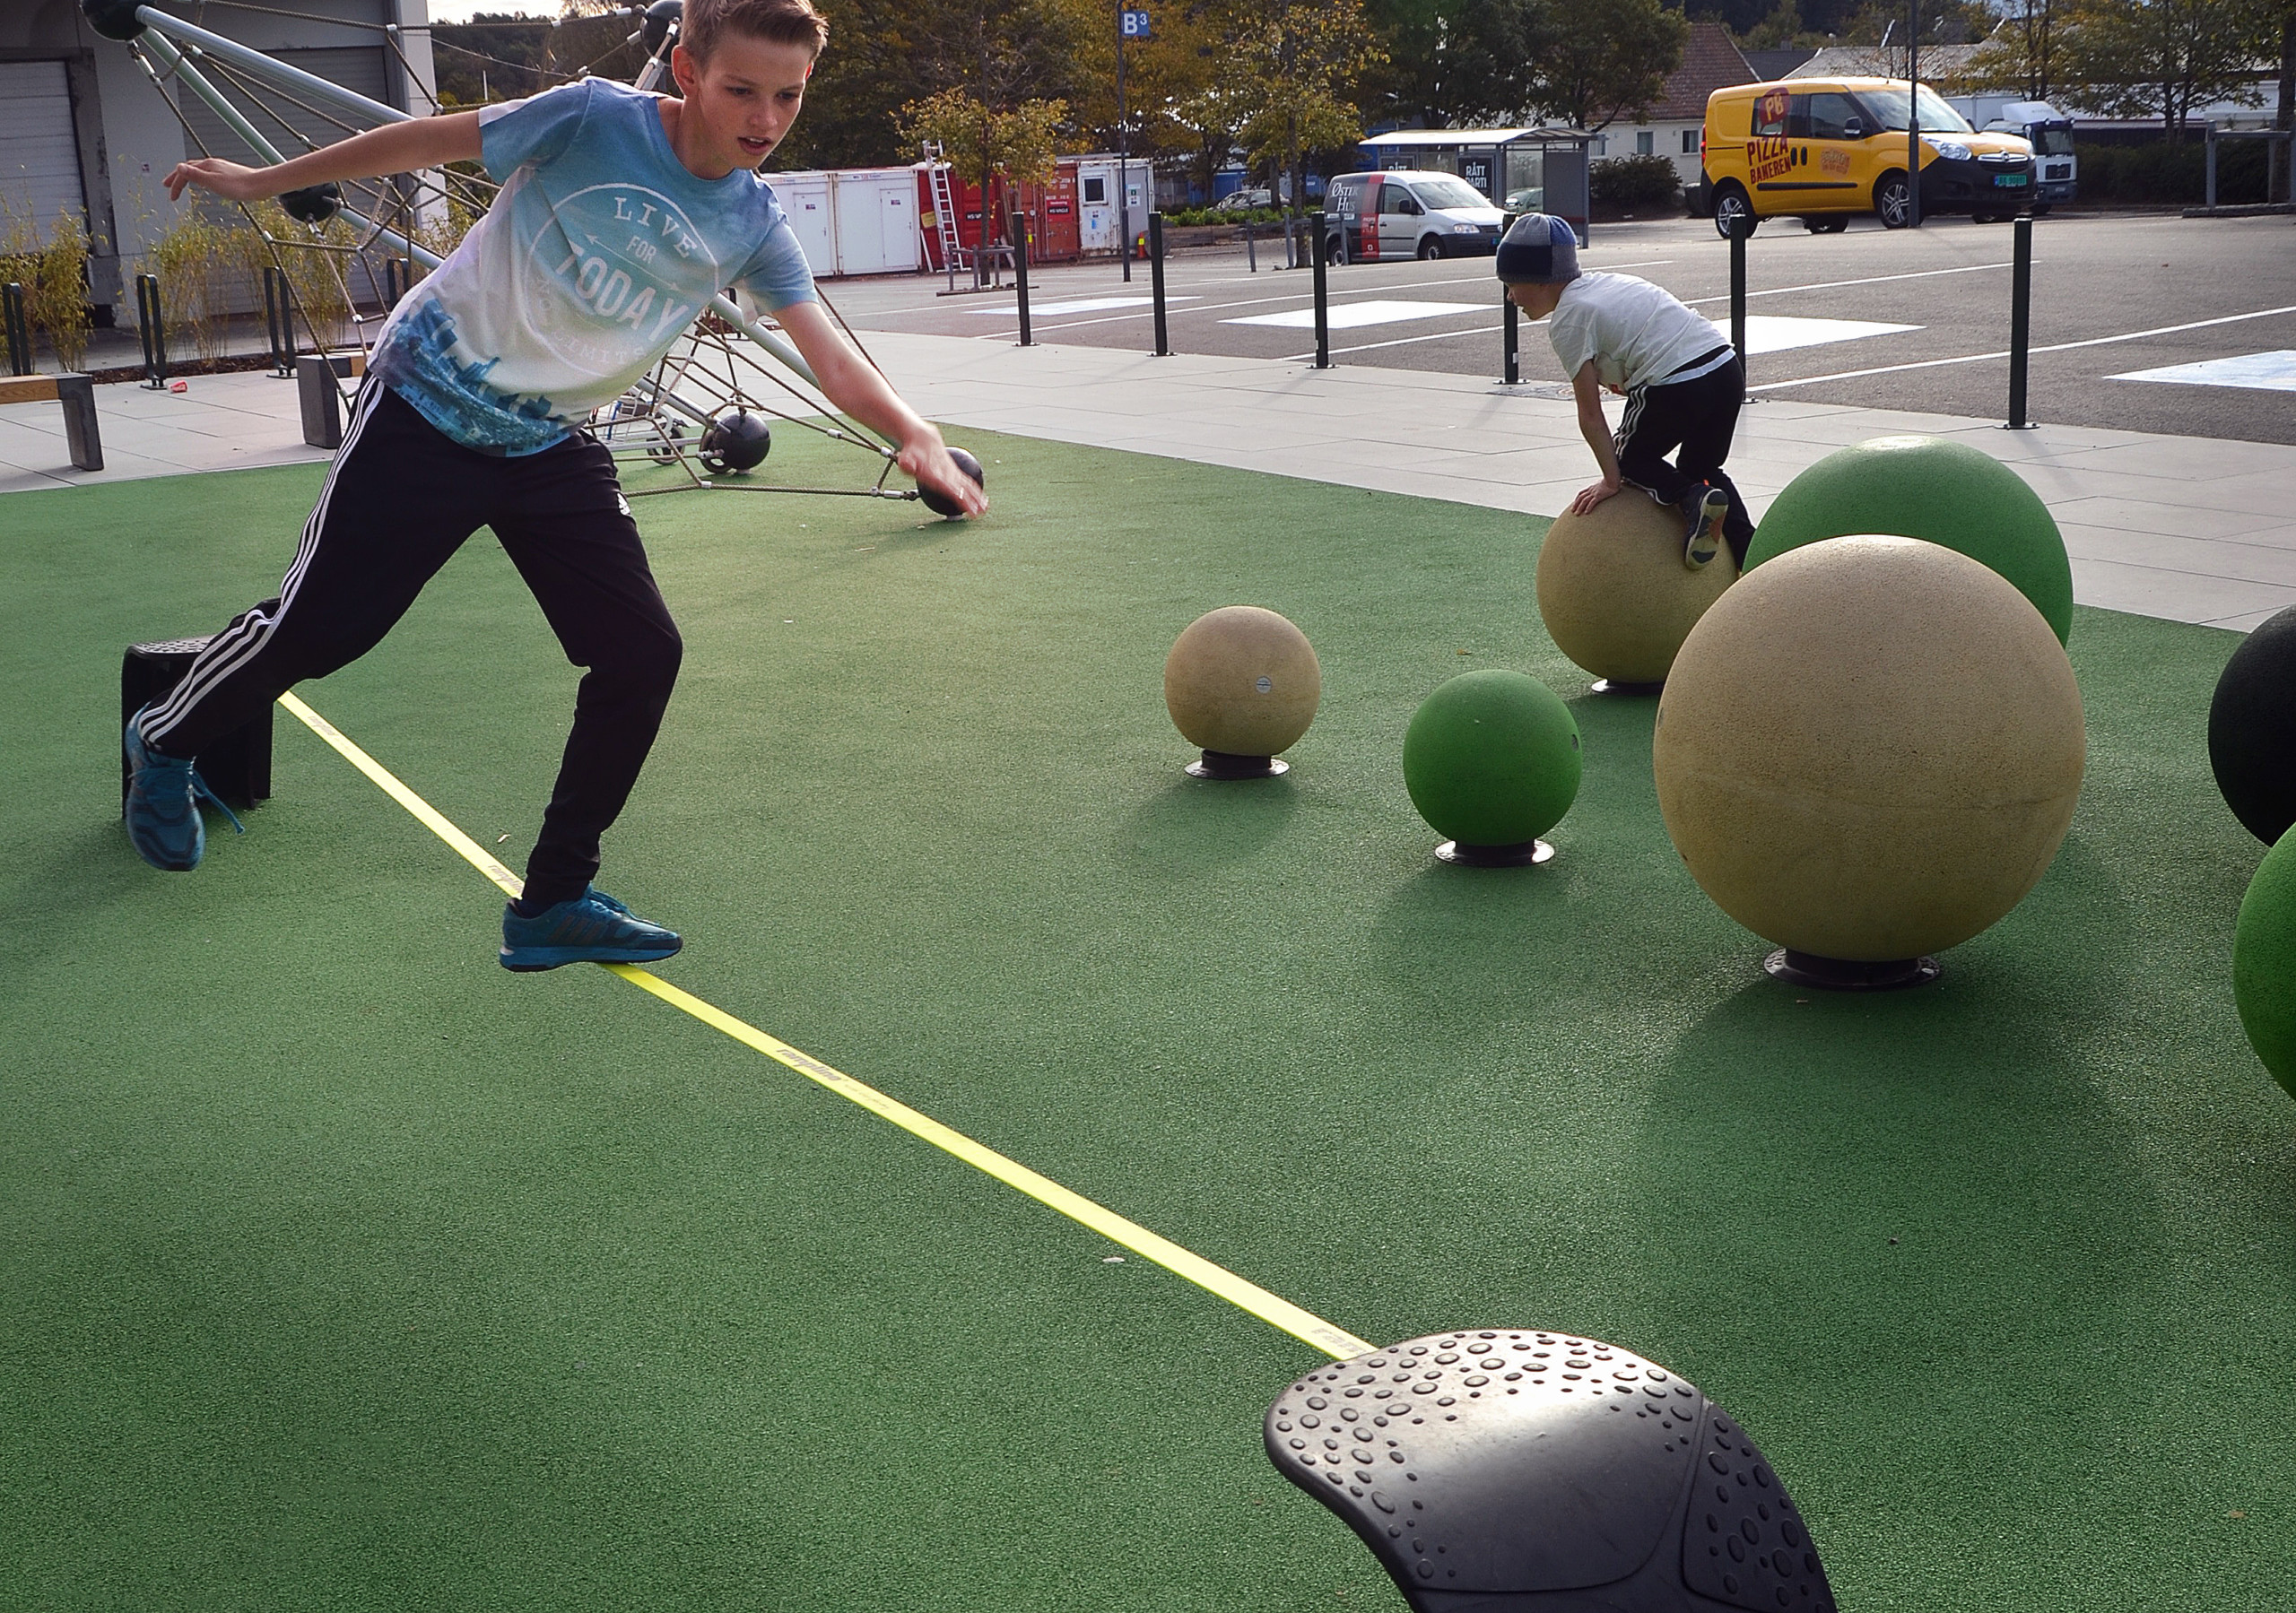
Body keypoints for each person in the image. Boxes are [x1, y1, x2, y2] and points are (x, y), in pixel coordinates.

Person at [124, 0, 985, 972]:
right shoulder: (591, 118)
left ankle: (552, 899)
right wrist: (262, 182)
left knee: (640, 654)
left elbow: (829, 357)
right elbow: (419, 141)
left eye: (786, 95)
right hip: (428, 400)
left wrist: (914, 433)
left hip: (547, 442)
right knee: (322, 630)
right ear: (687, 72)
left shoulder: (750, 221)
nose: (764, 116)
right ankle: (164, 738)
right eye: (742, 88)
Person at [1495, 213, 1751, 569]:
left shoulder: (1569, 318)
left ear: (1539, 280)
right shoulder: (1605, 284)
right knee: (1701, 464)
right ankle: (1751, 553)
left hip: (1678, 380)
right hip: (1725, 368)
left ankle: (1695, 497)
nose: (1509, 296)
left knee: (1628, 458)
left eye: (1511, 283)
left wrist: (1611, 480)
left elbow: (1590, 415)